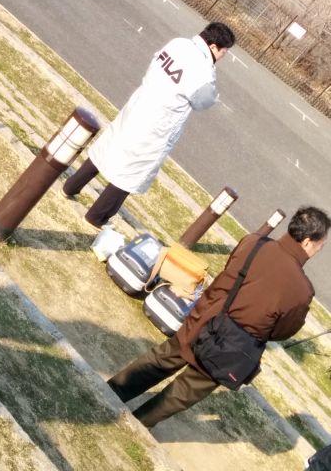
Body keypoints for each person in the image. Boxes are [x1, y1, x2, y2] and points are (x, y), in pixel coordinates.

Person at [107, 206, 330, 428]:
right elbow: (284, 331)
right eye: (322, 244)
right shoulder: (301, 290)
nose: (320, 249)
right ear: (308, 241)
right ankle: (137, 423)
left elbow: (229, 272)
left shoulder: (254, 242)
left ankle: (111, 392)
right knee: (185, 391)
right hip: (233, 346)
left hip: (204, 317)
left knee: (161, 359)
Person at [64, 22, 235, 229]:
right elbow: (203, 101)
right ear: (215, 47)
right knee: (132, 171)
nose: (223, 56)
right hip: (159, 123)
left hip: (140, 104)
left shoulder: (178, 44)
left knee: (110, 148)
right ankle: (97, 216)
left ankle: (71, 185)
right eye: (224, 52)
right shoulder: (203, 69)